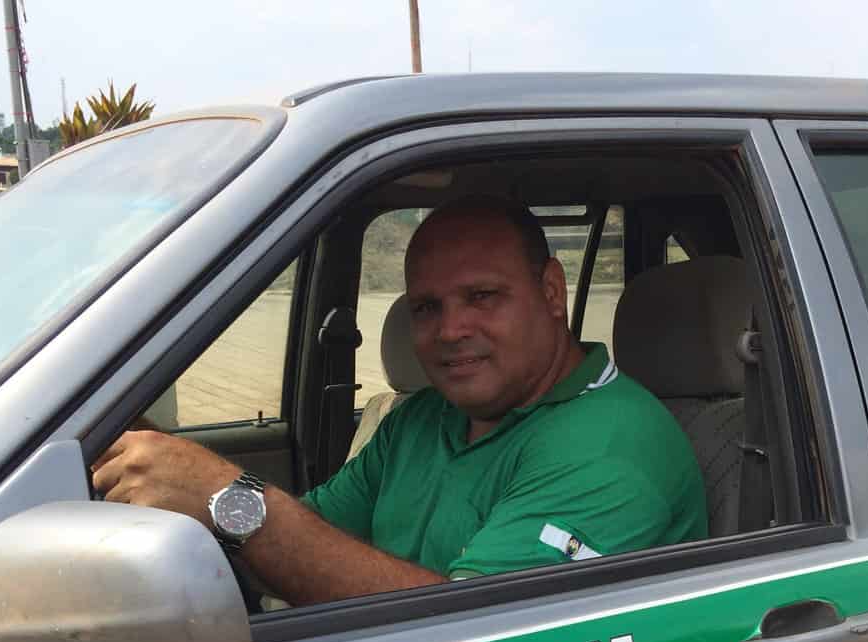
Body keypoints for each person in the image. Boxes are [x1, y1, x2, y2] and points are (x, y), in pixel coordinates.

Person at [91, 195, 707, 605]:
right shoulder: (421, 419)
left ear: (550, 291)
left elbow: (475, 639)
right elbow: (296, 544)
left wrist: (228, 499)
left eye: (482, 296)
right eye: (426, 307)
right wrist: (158, 461)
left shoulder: (612, 446)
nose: (449, 330)